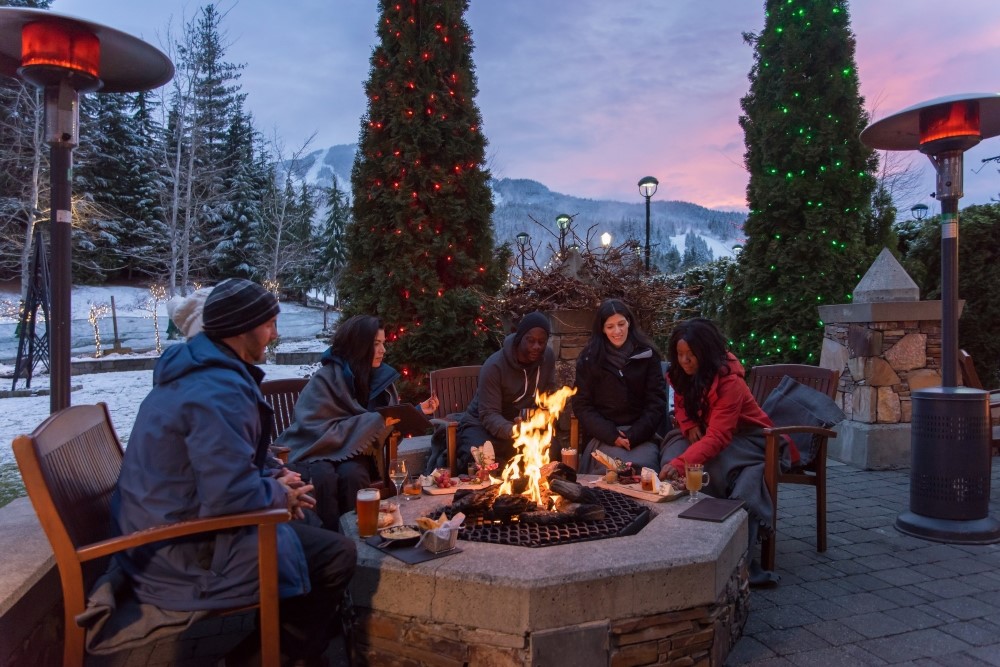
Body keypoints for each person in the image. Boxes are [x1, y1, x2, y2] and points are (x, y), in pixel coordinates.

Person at [112, 278, 356, 663]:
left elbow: (218, 463)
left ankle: (290, 643)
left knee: (311, 525)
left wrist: (274, 478)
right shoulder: (217, 392)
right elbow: (227, 496)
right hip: (176, 552)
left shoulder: (206, 371)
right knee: (338, 554)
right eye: (269, 324)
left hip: (165, 524)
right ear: (241, 328)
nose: (274, 335)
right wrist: (281, 496)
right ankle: (267, 655)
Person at [658, 317, 780, 587]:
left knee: (705, 466)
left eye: (691, 355)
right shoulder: (681, 374)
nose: (685, 361)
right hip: (702, 429)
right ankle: (674, 532)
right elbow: (679, 403)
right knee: (672, 449)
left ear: (705, 353)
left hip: (747, 438)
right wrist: (688, 425)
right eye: (679, 355)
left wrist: (681, 464)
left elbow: (718, 437)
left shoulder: (730, 383)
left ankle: (723, 544)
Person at [275, 314, 438, 513]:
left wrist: (418, 411)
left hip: (357, 454)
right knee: (323, 477)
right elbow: (312, 427)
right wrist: (374, 421)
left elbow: (389, 420)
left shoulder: (381, 380)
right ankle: (332, 536)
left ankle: (359, 532)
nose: (383, 350)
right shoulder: (326, 379)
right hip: (317, 452)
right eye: (376, 344)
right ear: (359, 345)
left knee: (354, 475)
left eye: (383, 343)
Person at [572, 299, 667, 474]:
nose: (617, 331)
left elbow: (656, 402)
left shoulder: (647, 355)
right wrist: (611, 435)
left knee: (644, 471)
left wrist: (634, 435)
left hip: (641, 436)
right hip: (604, 437)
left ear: (629, 323)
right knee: (608, 471)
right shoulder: (589, 359)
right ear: (602, 329)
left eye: (621, 324)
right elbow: (582, 405)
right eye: (610, 327)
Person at [455, 311, 557, 472]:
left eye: (541, 342)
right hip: (482, 424)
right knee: (484, 459)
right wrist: (515, 431)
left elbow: (549, 395)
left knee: (551, 452)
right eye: (530, 341)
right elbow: (488, 414)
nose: (536, 346)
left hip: (521, 425)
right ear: (519, 339)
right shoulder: (494, 366)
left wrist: (539, 419)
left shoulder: (547, 358)